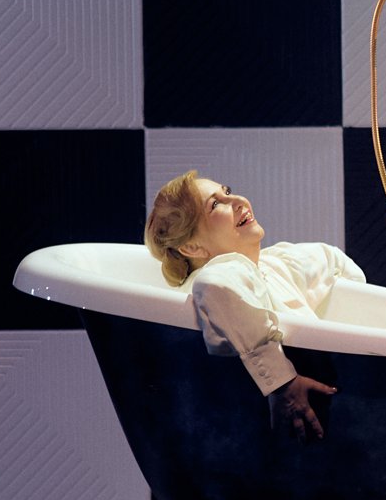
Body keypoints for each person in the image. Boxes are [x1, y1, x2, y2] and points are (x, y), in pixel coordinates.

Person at [144, 171, 365, 441]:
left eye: (227, 191)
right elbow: (215, 287)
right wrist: (281, 383)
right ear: (192, 247)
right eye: (216, 204)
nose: (238, 200)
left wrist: (358, 301)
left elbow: (329, 257)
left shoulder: (275, 263)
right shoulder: (219, 273)